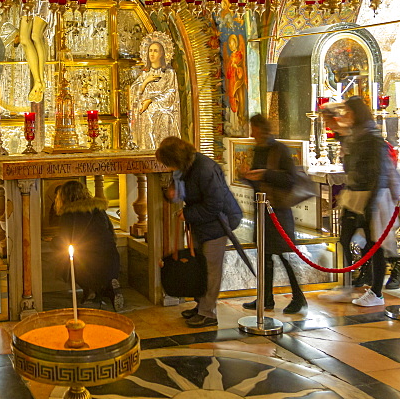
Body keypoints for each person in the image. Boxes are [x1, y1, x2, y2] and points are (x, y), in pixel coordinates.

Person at [156, 136, 242, 328]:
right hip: (202, 221)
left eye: (168, 163)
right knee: (199, 267)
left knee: (211, 269)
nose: (168, 168)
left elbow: (215, 204)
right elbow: (180, 191)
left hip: (219, 222)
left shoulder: (205, 169)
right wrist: (170, 194)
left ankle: (208, 313)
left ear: (176, 158)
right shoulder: (185, 167)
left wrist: (188, 214)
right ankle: (200, 306)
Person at [322, 97, 393, 307]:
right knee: (344, 240)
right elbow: (349, 167)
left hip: (372, 196)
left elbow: (379, 173)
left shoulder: (372, 138)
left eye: (348, 112)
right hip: (354, 194)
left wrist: (370, 204)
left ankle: (377, 292)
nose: (345, 116)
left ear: (356, 113)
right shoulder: (355, 136)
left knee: (374, 246)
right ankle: (346, 286)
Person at [239, 114, 308, 314]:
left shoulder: (279, 150)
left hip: (278, 211)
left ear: (261, 128)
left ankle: (299, 297)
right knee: (265, 256)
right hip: (263, 211)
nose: (251, 133)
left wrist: (264, 174)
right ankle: (266, 298)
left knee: (285, 256)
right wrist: (246, 176)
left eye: (253, 129)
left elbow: (290, 179)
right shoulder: (258, 150)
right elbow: (257, 180)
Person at [53, 181, 123, 311]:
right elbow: (111, 232)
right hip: (111, 258)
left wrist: (53, 241)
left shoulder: (68, 214)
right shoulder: (99, 209)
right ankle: (111, 287)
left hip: (86, 262)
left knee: (69, 259)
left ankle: (89, 289)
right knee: (104, 274)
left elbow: (65, 239)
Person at [130, 32, 182, 149]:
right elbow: (134, 92)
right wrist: (145, 82)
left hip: (163, 112)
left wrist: (151, 101)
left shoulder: (169, 73)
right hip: (146, 114)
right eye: (150, 50)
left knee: (163, 118)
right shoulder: (144, 74)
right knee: (146, 117)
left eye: (155, 51)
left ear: (162, 53)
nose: (152, 54)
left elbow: (171, 94)